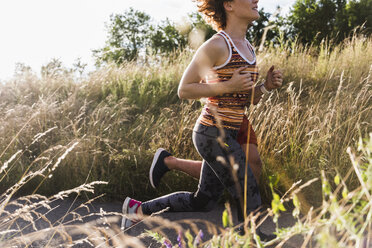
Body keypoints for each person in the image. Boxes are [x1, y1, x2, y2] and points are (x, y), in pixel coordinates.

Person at [121, 0, 283, 239]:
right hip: (211, 132)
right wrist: (228, 85)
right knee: (247, 184)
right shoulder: (217, 45)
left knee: (204, 201)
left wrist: (265, 87)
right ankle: (252, 238)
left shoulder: (247, 47)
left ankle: (137, 209)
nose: (256, 0)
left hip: (229, 130)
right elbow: (184, 89)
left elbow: (246, 99)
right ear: (228, 5)